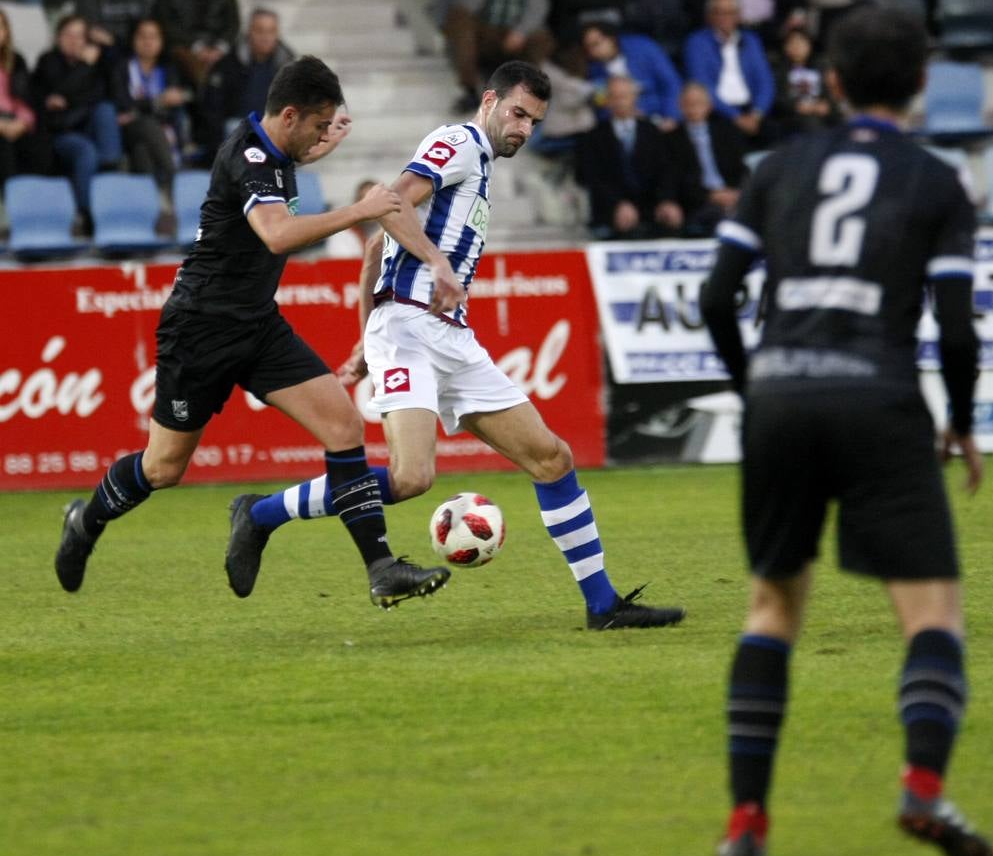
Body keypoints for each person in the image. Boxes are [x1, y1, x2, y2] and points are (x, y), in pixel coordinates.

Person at [226, 61, 686, 632]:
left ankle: (602, 606)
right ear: (489, 101)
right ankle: (261, 514)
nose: (523, 129)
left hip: (448, 337)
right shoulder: (458, 142)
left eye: (534, 122)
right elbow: (389, 204)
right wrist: (420, 285)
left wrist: (366, 334)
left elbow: (375, 246)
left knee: (553, 458)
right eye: (517, 113)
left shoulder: (483, 166)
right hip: (412, 331)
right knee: (411, 477)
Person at [698, 6, 993, 856]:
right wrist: (965, 423)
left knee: (773, 609)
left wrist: (753, 384)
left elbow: (718, 297)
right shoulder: (937, 180)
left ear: (830, 80)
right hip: (880, 399)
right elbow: (958, 328)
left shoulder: (779, 166)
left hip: (783, 397)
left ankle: (748, 822)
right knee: (932, 615)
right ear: (920, 84)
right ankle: (922, 787)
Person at [54, 56, 451, 610]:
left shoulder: (280, 149)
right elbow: (278, 234)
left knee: (342, 424)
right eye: (316, 126)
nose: (320, 138)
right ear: (290, 115)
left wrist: (321, 144)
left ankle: (381, 567)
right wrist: (357, 209)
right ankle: (86, 518)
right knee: (163, 467)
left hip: (258, 326)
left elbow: (292, 166)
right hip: (200, 329)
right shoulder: (249, 156)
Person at [32, 14, 123, 230]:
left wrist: (71, 98)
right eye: (68, 35)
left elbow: (100, 96)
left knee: (106, 110)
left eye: (79, 36)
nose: (74, 40)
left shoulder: (97, 64)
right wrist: (83, 66)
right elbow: (58, 94)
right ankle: (88, 216)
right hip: (60, 132)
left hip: (88, 126)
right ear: (57, 38)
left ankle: (110, 165)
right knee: (86, 150)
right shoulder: (48, 61)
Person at [576, 74, 683, 238]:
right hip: (611, 212)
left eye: (624, 96)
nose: (620, 101)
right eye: (615, 97)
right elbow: (592, 178)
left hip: (652, 208)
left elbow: (666, 170)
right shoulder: (593, 137)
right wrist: (617, 204)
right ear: (607, 101)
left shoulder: (652, 132)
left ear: (634, 98)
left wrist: (667, 201)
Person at [113, 17, 190, 231]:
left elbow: (175, 102)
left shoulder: (169, 68)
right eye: (142, 36)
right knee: (146, 126)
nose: (148, 42)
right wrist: (157, 102)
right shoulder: (122, 67)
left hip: (159, 132)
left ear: (161, 41)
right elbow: (122, 103)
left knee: (142, 151)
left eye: (153, 37)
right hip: (130, 130)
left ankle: (154, 216)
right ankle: (176, 186)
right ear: (134, 40)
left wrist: (142, 107)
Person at [437, 0, 554, 114]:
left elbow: (539, 6)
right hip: (484, 32)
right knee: (459, 21)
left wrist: (521, 31)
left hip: (515, 32)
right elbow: (464, 7)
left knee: (542, 38)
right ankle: (470, 89)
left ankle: (531, 91)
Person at [197, 8, 296, 160]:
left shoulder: (289, 67)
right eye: (260, 31)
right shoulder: (228, 63)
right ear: (249, 32)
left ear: (277, 34)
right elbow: (213, 109)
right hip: (237, 131)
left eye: (271, 31)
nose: (265, 37)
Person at [682, 0, 775, 147]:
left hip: (752, 109)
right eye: (718, 12)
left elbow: (765, 81)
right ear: (709, 16)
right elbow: (703, 85)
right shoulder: (696, 43)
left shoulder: (751, 40)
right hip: (718, 111)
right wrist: (735, 117)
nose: (725, 18)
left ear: (738, 16)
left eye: (730, 13)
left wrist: (757, 113)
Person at [666, 80, 746, 237]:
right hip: (699, 203)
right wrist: (710, 195)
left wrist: (736, 193)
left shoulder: (727, 132)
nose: (694, 108)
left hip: (733, 196)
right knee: (722, 219)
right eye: (689, 103)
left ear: (709, 105)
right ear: (680, 106)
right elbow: (677, 180)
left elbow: (740, 168)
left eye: (699, 103)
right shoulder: (671, 140)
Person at [580, 20, 683, 130]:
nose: (593, 51)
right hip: (624, 126)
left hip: (659, 116)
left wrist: (672, 116)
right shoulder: (595, 70)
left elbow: (671, 83)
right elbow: (601, 105)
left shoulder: (643, 47)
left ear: (611, 39)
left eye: (596, 44)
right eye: (588, 47)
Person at [0, 6, 51, 191]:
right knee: (4, 147)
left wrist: (22, 122)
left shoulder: (16, 60)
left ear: (6, 33)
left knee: (40, 146)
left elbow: (26, 98)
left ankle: (37, 205)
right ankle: (10, 207)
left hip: (13, 121)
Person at [154, 0, 241, 87]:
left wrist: (219, 49)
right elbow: (168, 24)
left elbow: (233, 23)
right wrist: (197, 47)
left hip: (218, 49)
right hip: (185, 45)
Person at [76, 0, 156, 54]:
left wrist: (115, 41)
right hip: (101, 51)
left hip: (136, 48)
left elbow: (145, 26)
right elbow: (93, 30)